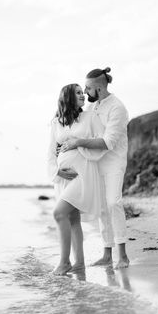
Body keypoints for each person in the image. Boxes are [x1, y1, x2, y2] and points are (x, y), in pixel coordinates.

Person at [60, 67, 129, 269]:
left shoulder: (117, 107)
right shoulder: (92, 107)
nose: (85, 92)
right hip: (95, 162)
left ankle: (123, 256)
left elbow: (108, 142)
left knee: (113, 203)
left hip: (114, 161)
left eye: (88, 88)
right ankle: (107, 254)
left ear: (98, 88)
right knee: (101, 208)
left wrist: (78, 142)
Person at [47, 83, 106, 275]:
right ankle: (79, 263)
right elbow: (50, 153)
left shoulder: (90, 117)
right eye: (78, 93)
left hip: (83, 172)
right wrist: (57, 172)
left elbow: (102, 142)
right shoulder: (56, 123)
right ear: (68, 97)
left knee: (59, 214)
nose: (83, 95)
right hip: (64, 178)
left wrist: (77, 144)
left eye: (83, 92)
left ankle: (64, 262)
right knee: (72, 219)